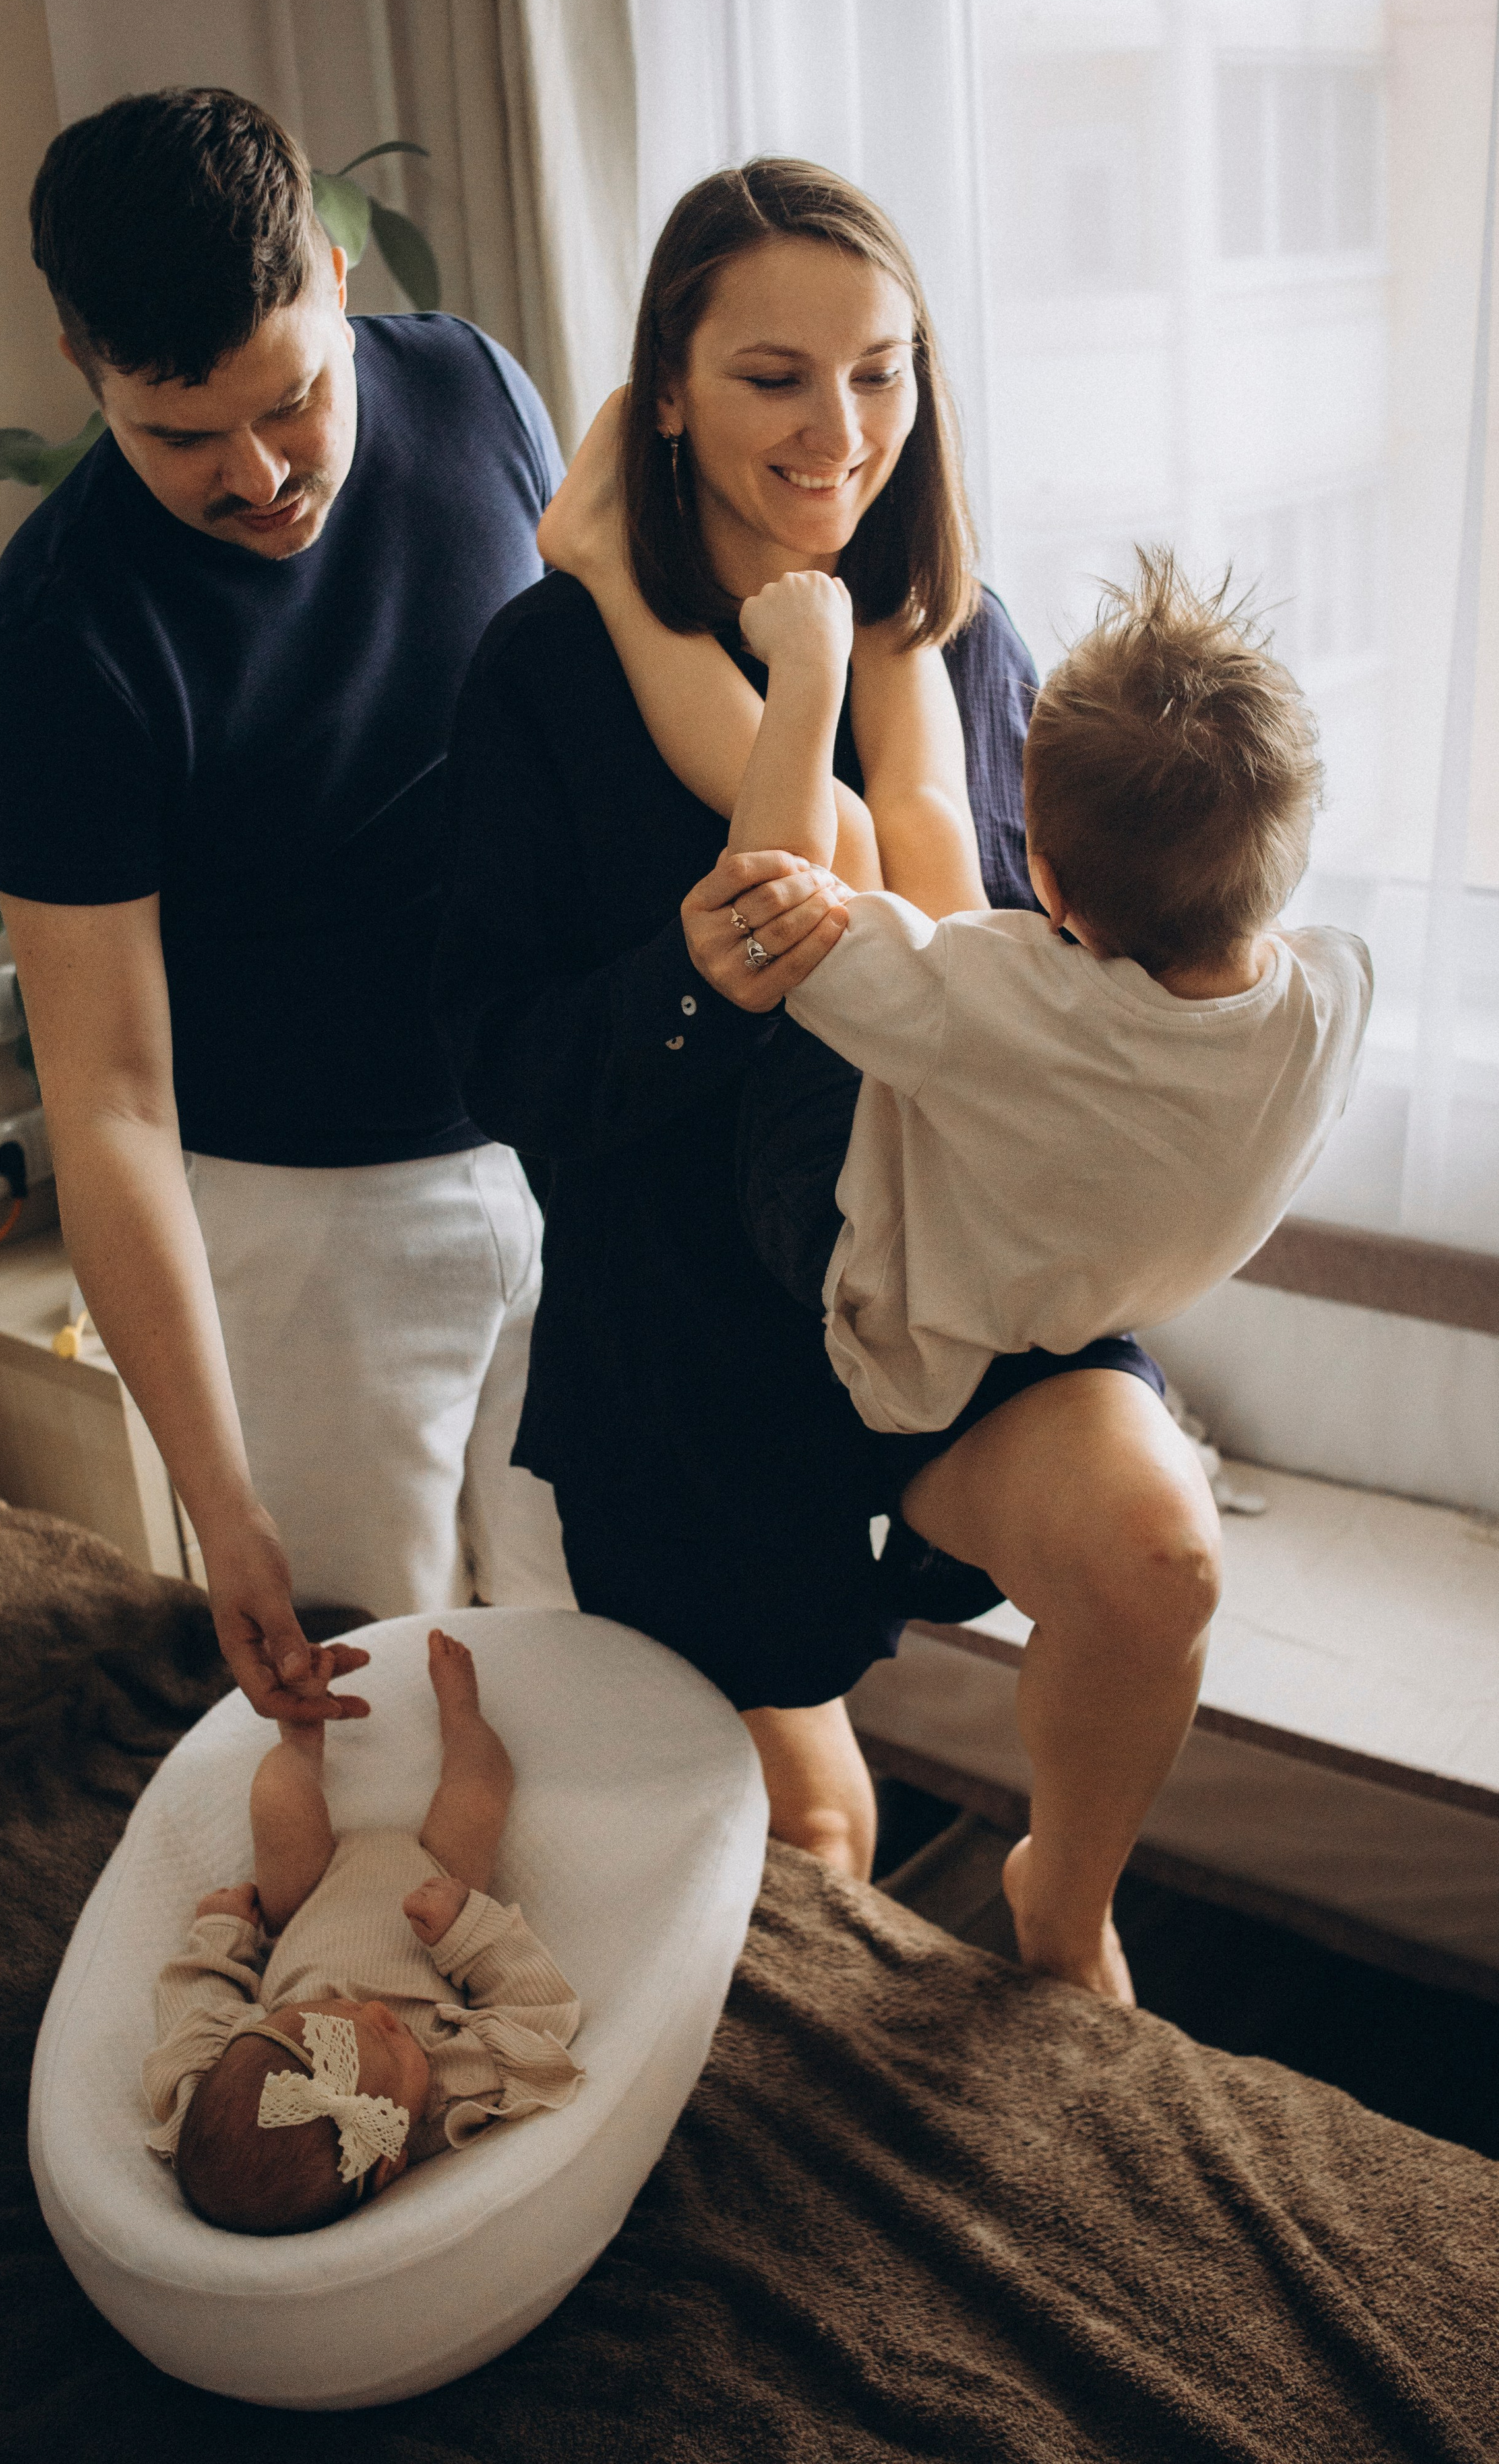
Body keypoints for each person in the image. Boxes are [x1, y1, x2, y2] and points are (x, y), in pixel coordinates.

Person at [435, 158, 1118, 1917]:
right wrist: (682, 984)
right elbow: (501, 1061)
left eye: (881, 370)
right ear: (667, 384)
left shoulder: (966, 644)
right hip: (686, 1341)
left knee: (1160, 1546)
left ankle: (1070, 1910)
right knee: (810, 1841)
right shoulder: (539, 674)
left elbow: (974, 936)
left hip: (946, 1273)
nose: (841, 427)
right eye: (774, 377)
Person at [648, 550, 1370, 2000]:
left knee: (847, 833)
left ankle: (754, 610)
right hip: (1041, 1236)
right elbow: (1050, 990)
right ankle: (900, 613)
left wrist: (805, 667)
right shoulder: (1331, 993)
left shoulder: (1005, 1005)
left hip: (858, 1252)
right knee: (907, 852)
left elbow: (760, 912)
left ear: (1043, 885)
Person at [0, 89, 574, 1733]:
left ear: (329, 265)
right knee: (378, 1704)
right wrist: (218, 1493)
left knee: (601, 1654)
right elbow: (104, 1096)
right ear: (86, 368)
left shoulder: (473, 388)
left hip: (562, 1122)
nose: (258, 475)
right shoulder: (62, 635)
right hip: (307, 1227)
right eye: (181, 437)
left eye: (292, 400)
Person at [143, 1628, 583, 2235]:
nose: (375, 2010)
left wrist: (221, 1933)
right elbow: (539, 2013)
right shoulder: (454, 2089)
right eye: (396, 2035)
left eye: (337, 2009)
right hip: (435, 1877)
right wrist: (470, 1931)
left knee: (277, 1796)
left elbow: (197, 2016)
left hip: (304, 1898)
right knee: (479, 1793)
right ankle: (464, 1717)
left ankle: (301, 1737)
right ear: (389, 2162)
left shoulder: (249, 2068)